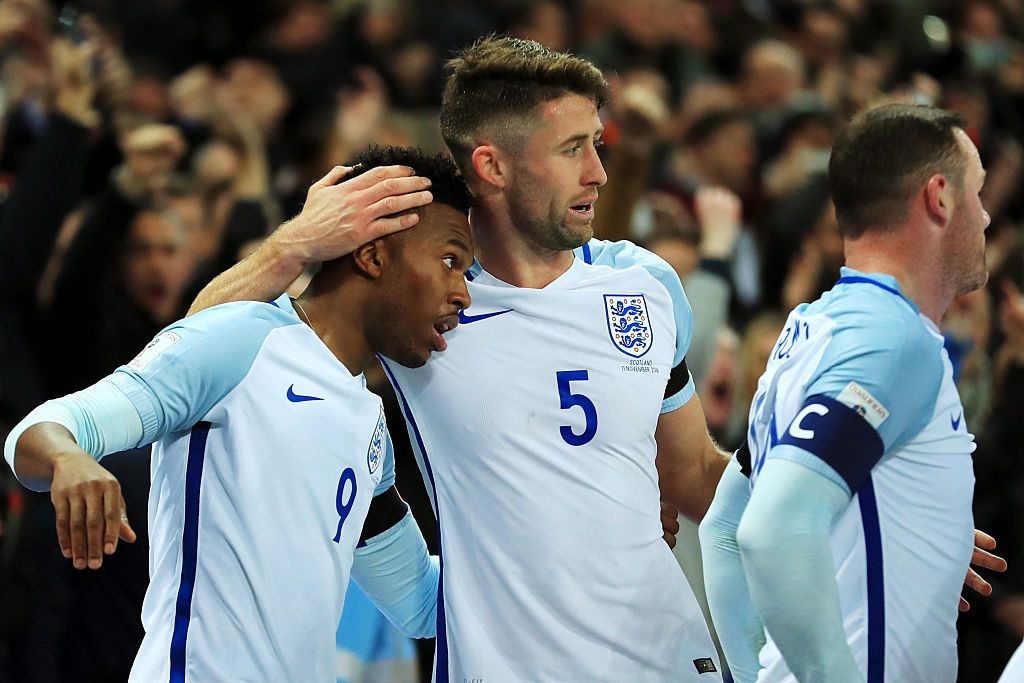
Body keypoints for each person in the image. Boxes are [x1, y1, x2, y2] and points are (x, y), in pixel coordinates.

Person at [191, 36, 730, 681]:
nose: (598, 172)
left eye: (597, 143)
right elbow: (202, 342)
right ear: (493, 166)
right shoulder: (418, 298)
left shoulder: (643, 283)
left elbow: (694, 471)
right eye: (571, 149)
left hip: (669, 659)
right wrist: (295, 246)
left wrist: (821, 505)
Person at [3, 146, 471, 681]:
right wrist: (69, 458)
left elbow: (419, 602)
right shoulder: (241, 341)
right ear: (372, 255)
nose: (462, 293)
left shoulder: (371, 429)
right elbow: (36, 433)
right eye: (450, 260)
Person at [698, 104, 1004, 682]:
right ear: (939, 197)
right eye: (978, 192)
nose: (986, 218)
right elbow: (771, 528)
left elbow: (725, 531)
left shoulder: (811, 330)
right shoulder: (893, 339)